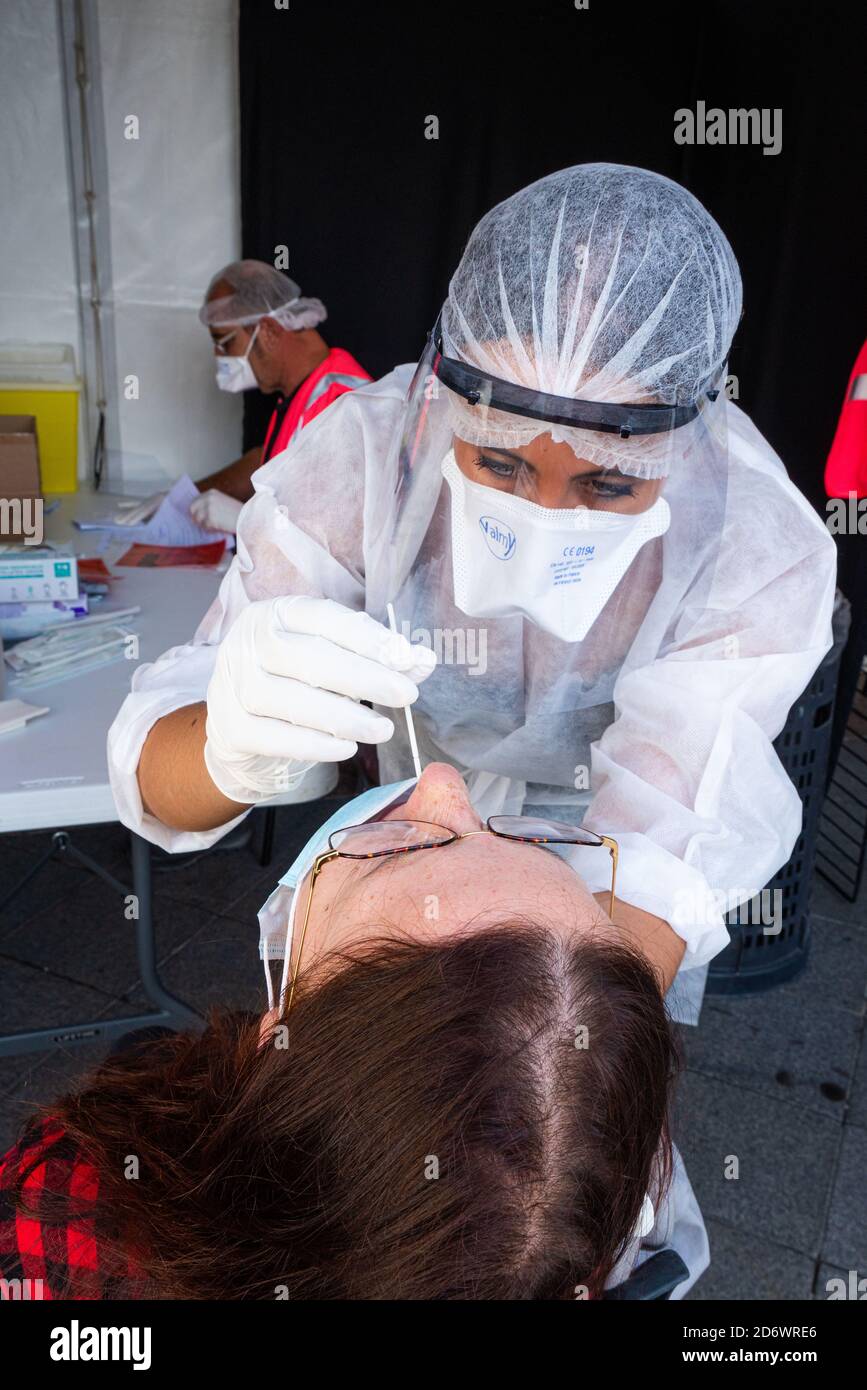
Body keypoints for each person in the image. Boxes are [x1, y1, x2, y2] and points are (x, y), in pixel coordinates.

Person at [108, 164, 837, 1026]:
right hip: (404, 815)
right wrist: (229, 746)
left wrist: (555, 1073)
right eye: (498, 462)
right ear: (441, 393)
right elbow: (159, 782)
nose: (544, 516)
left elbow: (655, 854)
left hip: (600, 855)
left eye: (607, 485)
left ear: (686, 434)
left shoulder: (749, 539)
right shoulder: (367, 461)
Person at [0, 763, 698, 1301]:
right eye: (531, 842)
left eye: (395, 853)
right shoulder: (554, 1237)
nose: (444, 783)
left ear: (278, 1044)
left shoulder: (66, 1210)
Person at [116, 261, 371, 533]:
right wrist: (183, 497)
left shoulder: (343, 403)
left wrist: (246, 521)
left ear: (269, 331)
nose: (217, 356)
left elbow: (344, 540)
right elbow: (271, 464)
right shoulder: (301, 392)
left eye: (224, 342)